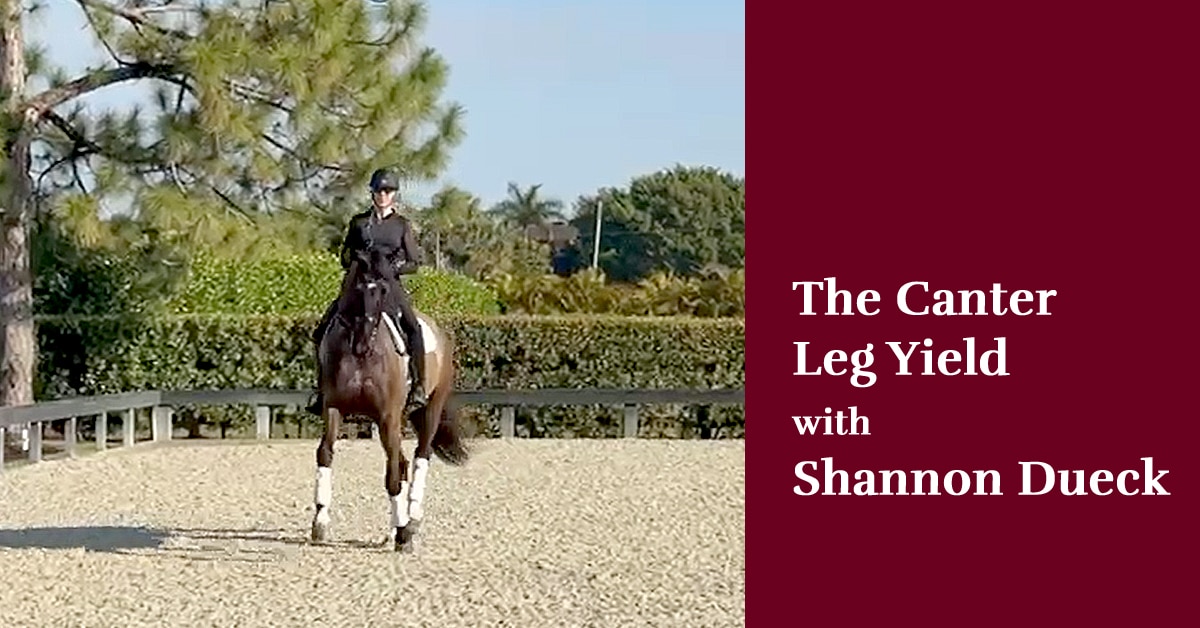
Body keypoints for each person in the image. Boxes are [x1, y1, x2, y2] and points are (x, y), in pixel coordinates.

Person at [306, 168, 428, 415]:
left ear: (394, 194)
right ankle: (322, 390)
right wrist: (355, 260)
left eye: (387, 191)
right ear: (372, 193)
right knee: (322, 329)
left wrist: (396, 267)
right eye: (379, 191)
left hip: (389, 286)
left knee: (413, 327)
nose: (383, 195)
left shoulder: (401, 225)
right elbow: (344, 255)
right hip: (358, 286)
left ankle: (418, 386)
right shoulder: (359, 222)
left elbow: (415, 262)